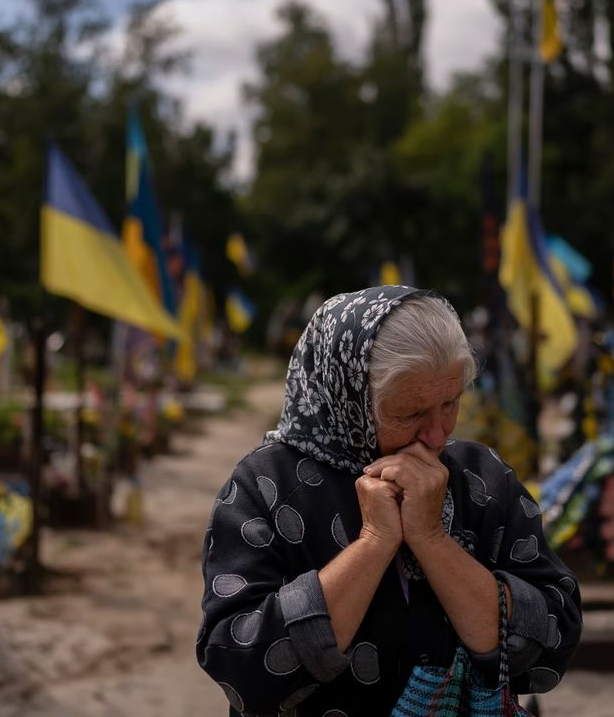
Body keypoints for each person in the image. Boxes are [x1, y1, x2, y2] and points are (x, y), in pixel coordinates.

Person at [197, 286, 581, 716]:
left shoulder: (482, 480)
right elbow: (240, 667)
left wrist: (432, 539)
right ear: (350, 402)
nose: (437, 436)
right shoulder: (267, 486)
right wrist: (375, 542)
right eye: (411, 414)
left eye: (450, 403)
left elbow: (553, 644)